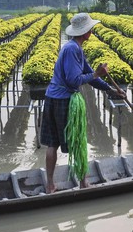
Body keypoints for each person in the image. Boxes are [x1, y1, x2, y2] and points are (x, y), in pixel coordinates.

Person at [41, 12, 124, 194]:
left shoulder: (75, 48)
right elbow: (74, 80)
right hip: (63, 100)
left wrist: (111, 90)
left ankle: (51, 185)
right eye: (90, 28)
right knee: (77, 140)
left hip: (52, 97)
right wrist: (97, 74)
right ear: (86, 32)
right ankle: (83, 183)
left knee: (52, 144)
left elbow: (90, 75)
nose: (92, 30)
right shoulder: (72, 49)